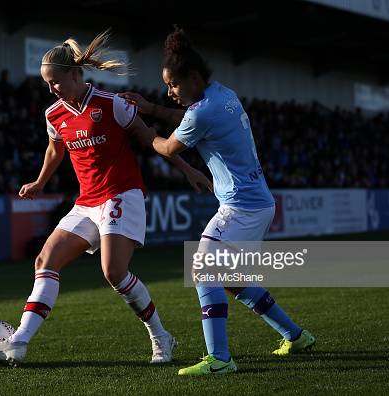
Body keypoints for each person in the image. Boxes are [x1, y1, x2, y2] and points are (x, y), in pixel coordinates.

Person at [0, 29, 212, 367]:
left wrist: (187, 169)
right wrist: (39, 182)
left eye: (56, 81)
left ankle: (161, 336)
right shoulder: (53, 114)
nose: (51, 89)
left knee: (114, 272)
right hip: (87, 201)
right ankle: (19, 341)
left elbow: (149, 137)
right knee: (44, 261)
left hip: (122, 194)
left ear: (76, 75)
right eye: (47, 83)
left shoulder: (111, 105)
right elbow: (54, 149)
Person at [121, 27, 316, 376]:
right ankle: (296, 336)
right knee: (233, 279)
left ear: (193, 78)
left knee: (202, 270)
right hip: (255, 201)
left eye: (173, 85)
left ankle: (220, 358)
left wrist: (142, 130)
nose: (170, 92)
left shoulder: (202, 113)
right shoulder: (223, 95)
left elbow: (168, 147)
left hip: (241, 206)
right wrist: (153, 108)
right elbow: (187, 117)